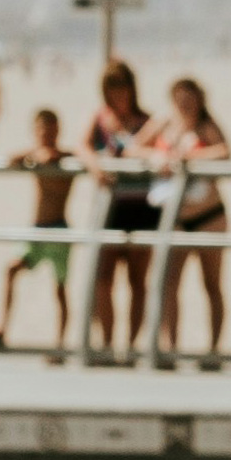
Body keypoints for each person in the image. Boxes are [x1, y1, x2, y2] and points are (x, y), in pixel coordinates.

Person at [145, 77, 231, 368]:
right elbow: (133, 148)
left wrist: (190, 157)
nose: (185, 105)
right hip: (177, 218)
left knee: (211, 284)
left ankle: (213, 349)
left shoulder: (206, 125)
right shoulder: (164, 123)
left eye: (190, 99)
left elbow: (225, 151)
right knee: (170, 283)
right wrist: (160, 157)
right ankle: (170, 347)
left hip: (209, 216)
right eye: (180, 99)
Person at [0, 108, 75, 359]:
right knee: (12, 269)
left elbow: (66, 155)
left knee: (60, 288)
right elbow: (10, 159)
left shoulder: (65, 158)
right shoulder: (36, 156)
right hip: (37, 229)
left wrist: (44, 155)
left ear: (58, 130)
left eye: (51, 129)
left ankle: (60, 344)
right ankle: (3, 329)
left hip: (59, 228)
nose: (46, 134)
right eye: (42, 130)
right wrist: (34, 152)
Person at [81, 60, 157, 357]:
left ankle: (132, 344)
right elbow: (82, 146)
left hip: (141, 206)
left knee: (138, 280)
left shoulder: (145, 121)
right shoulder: (100, 119)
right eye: (111, 87)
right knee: (103, 279)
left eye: (121, 86)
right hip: (109, 209)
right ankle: (107, 342)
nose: (117, 94)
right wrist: (95, 167)